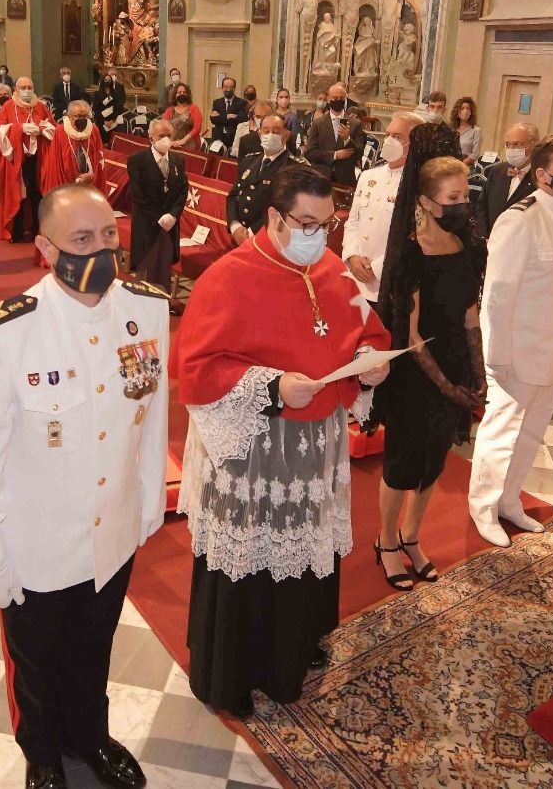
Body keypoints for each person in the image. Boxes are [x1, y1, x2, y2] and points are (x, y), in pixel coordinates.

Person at [0, 185, 167, 789]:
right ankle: (42, 754)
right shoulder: (8, 332)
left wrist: (148, 501)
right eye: (81, 239)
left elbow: (152, 414)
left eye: (108, 236)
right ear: (46, 250)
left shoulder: (146, 310)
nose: (100, 250)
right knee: (37, 662)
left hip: (112, 528)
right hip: (35, 543)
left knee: (95, 647)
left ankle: (90, 737)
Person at [177, 166, 392, 717]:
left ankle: (290, 651)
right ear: (274, 216)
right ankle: (233, 674)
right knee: (249, 554)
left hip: (315, 440)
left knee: (304, 541)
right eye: (307, 223)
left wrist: (369, 361)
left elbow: (365, 329)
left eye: (327, 223)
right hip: (255, 442)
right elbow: (198, 367)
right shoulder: (229, 276)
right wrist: (272, 386)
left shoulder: (332, 268)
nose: (319, 236)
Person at [370, 135, 484, 588]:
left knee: (434, 461)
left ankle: (411, 536)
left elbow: (470, 314)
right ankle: (385, 542)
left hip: (455, 367)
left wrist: (477, 373)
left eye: (465, 195)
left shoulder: (468, 247)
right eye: (453, 198)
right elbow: (413, 336)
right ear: (425, 201)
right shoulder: (411, 254)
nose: (462, 205)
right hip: (416, 375)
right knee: (402, 465)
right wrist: (449, 387)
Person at [470, 134, 553, 546]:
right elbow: (497, 295)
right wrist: (496, 357)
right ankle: (483, 507)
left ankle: (509, 500)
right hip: (517, 350)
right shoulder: (520, 219)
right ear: (542, 174)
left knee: (531, 433)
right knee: (502, 433)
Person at [342, 111, 421, 303]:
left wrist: (376, 269)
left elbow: (413, 236)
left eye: (397, 137)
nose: (389, 141)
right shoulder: (368, 176)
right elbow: (353, 222)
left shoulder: (419, 185)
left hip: (389, 283)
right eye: (387, 135)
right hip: (355, 279)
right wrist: (352, 256)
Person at [0, 76, 57, 242]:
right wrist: (19, 128)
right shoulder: (8, 106)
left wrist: (41, 129)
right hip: (16, 159)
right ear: (16, 90)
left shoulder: (40, 106)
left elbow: (53, 127)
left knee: (37, 192)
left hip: (38, 159)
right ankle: (17, 231)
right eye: (23, 88)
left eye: (30, 87)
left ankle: (38, 228)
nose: (27, 91)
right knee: (18, 193)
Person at [126, 119, 187, 292]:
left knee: (163, 270)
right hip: (147, 224)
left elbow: (183, 190)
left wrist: (173, 215)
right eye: (161, 136)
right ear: (151, 138)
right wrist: (158, 218)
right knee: (146, 272)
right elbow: (138, 196)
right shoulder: (137, 160)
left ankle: (163, 300)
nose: (166, 139)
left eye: (169, 135)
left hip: (170, 226)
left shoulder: (178, 159)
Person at [226, 113, 307, 243]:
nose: (270, 135)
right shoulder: (249, 161)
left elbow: (285, 209)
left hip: (269, 239)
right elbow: (233, 196)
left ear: (286, 135)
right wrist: (235, 226)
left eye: (276, 132)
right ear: (260, 135)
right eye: (266, 131)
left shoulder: (294, 168)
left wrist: (251, 233)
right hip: (239, 236)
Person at [479, 122, 541, 235]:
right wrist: (484, 236)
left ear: (534, 145)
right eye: (508, 144)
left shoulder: (541, 177)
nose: (511, 149)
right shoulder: (497, 170)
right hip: (491, 238)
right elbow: (482, 206)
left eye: (517, 144)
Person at [301, 82, 364, 186]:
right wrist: (334, 155)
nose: (338, 100)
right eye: (335, 98)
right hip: (321, 177)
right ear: (329, 99)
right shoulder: (317, 123)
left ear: (345, 100)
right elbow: (310, 153)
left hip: (345, 179)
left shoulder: (355, 124)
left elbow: (359, 154)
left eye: (341, 98)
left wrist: (347, 139)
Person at [209, 76, 245, 154]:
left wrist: (221, 118)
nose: (228, 89)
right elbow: (213, 119)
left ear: (234, 88)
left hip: (234, 139)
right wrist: (228, 116)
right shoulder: (217, 102)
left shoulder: (241, 103)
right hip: (218, 138)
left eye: (231, 87)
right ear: (222, 88)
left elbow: (241, 119)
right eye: (226, 87)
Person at [162, 84, 203, 150]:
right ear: (175, 95)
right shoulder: (169, 110)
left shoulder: (194, 109)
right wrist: (169, 141)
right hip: (172, 144)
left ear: (188, 95)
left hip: (189, 144)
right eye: (179, 92)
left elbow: (197, 128)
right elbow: (163, 127)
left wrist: (183, 140)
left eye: (184, 92)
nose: (182, 94)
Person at [92, 69, 128, 136]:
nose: (108, 81)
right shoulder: (97, 94)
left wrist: (112, 120)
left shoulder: (114, 93)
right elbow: (96, 109)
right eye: (106, 80)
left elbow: (118, 106)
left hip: (113, 121)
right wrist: (104, 121)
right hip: (101, 121)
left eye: (109, 80)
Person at [452, 96, 481, 165]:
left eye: (468, 108)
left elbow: (475, 154)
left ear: (471, 112)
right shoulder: (451, 129)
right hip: (450, 164)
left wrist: (460, 165)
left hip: (466, 166)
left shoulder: (476, 130)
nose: (465, 111)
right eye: (462, 108)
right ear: (457, 111)